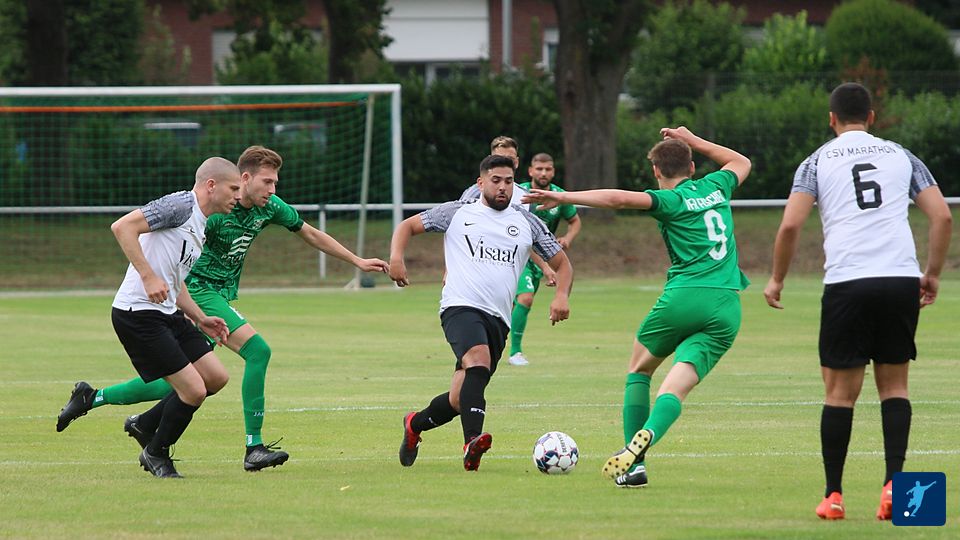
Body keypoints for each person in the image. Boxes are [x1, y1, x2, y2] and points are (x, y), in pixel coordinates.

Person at [56, 146, 390, 472]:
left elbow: (310, 234)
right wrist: (155, 281)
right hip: (197, 291)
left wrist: (357, 261)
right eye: (267, 182)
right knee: (256, 352)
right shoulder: (209, 213)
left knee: (197, 379)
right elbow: (140, 236)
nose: (273, 190)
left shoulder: (266, 208)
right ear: (244, 179)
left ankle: (106, 404)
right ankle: (252, 447)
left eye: (275, 183)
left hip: (202, 298)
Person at [762, 82, 951, 521]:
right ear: (871, 117)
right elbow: (942, 215)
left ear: (831, 119)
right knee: (895, 388)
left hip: (848, 281)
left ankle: (833, 496)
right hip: (899, 278)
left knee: (840, 394)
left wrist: (777, 278)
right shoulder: (901, 155)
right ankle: (895, 489)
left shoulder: (816, 161)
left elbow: (790, 226)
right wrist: (932, 274)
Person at [524, 126, 751, 488]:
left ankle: (635, 465)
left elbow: (617, 199)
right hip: (727, 305)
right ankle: (649, 435)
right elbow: (740, 161)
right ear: (693, 167)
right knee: (676, 389)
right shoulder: (716, 185)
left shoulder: (670, 200)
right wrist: (692, 140)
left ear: (656, 171)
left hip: (684, 297)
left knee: (640, 370)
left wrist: (564, 195)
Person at [392, 154, 573, 471]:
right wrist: (397, 258)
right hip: (460, 306)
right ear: (481, 183)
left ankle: (414, 425)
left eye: (508, 181)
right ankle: (472, 443)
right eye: (496, 180)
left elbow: (563, 264)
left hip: (498, 319)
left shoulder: (526, 222)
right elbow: (407, 226)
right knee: (478, 360)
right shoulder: (458, 212)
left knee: (459, 398)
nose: (503, 187)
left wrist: (561, 296)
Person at [107, 156, 241, 477]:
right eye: (234, 189)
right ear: (212, 185)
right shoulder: (181, 205)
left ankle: (144, 424)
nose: (238, 196)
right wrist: (148, 276)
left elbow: (175, 281)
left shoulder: (201, 223)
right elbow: (123, 227)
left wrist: (201, 318)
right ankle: (155, 453)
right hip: (138, 314)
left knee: (215, 378)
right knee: (193, 390)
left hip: (167, 313)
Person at [508, 153, 581, 366]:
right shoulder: (520, 193)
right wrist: (547, 267)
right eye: (539, 169)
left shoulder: (559, 196)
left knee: (515, 304)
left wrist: (567, 238)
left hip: (544, 258)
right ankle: (515, 352)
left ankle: (499, 343)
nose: (543, 173)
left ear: (553, 172)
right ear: (530, 171)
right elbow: (522, 238)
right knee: (526, 298)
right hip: (519, 255)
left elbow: (575, 221)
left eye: (548, 169)